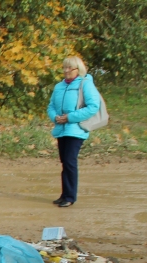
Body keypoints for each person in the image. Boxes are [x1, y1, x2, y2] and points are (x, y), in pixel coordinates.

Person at [46, 56, 100, 207]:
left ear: (78, 69)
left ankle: (70, 197)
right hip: (61, 129)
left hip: (76, 130)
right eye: (64, 67)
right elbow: (50, 106)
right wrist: (55, 118)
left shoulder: (86, 84)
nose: (66, 71)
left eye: (70, 68)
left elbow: (93, 107)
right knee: (65, 162)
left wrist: (70, 118)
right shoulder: (59, 86)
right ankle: (65, 195)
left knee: (70, 161)